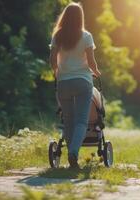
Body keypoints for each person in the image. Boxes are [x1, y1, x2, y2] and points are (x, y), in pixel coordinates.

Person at [49, 3, 101, 168]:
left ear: (64, 16)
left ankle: (72, 156)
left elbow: (52, 60)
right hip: (83, 82)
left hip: (64, 83)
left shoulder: (57, 36)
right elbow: (91, 63)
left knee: (68, 121)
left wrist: (58, 73)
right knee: (81, 122)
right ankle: (73, 153)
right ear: (80, 18)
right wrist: (97, 72)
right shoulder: (86, 36)